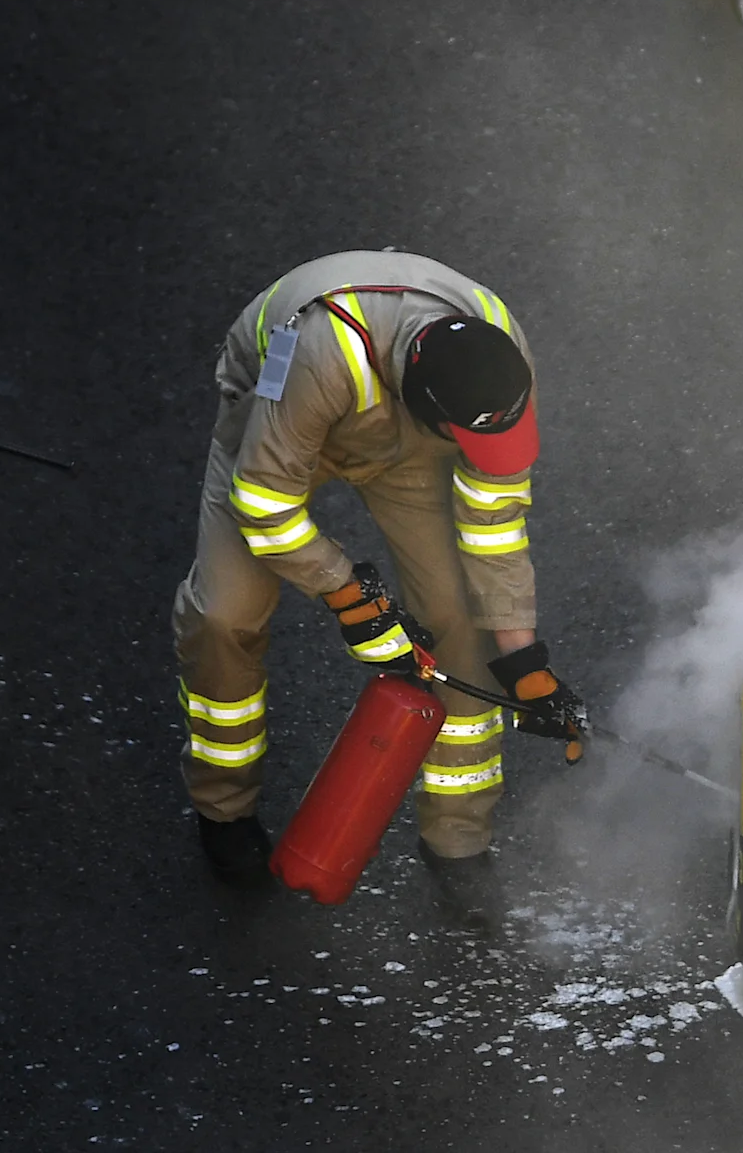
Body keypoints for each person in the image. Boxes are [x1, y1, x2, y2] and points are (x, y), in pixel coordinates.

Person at [172, 250, 582, 917]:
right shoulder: (320, 352)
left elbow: (494, 523)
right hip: (280, 417)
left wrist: (524, 662)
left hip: (408, 445)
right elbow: (265, 503)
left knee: (457, 619)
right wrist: (350, 598)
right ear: (427, 408)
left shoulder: (498, 364)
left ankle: (458, 842)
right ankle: (224, 811)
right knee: (225, 616)